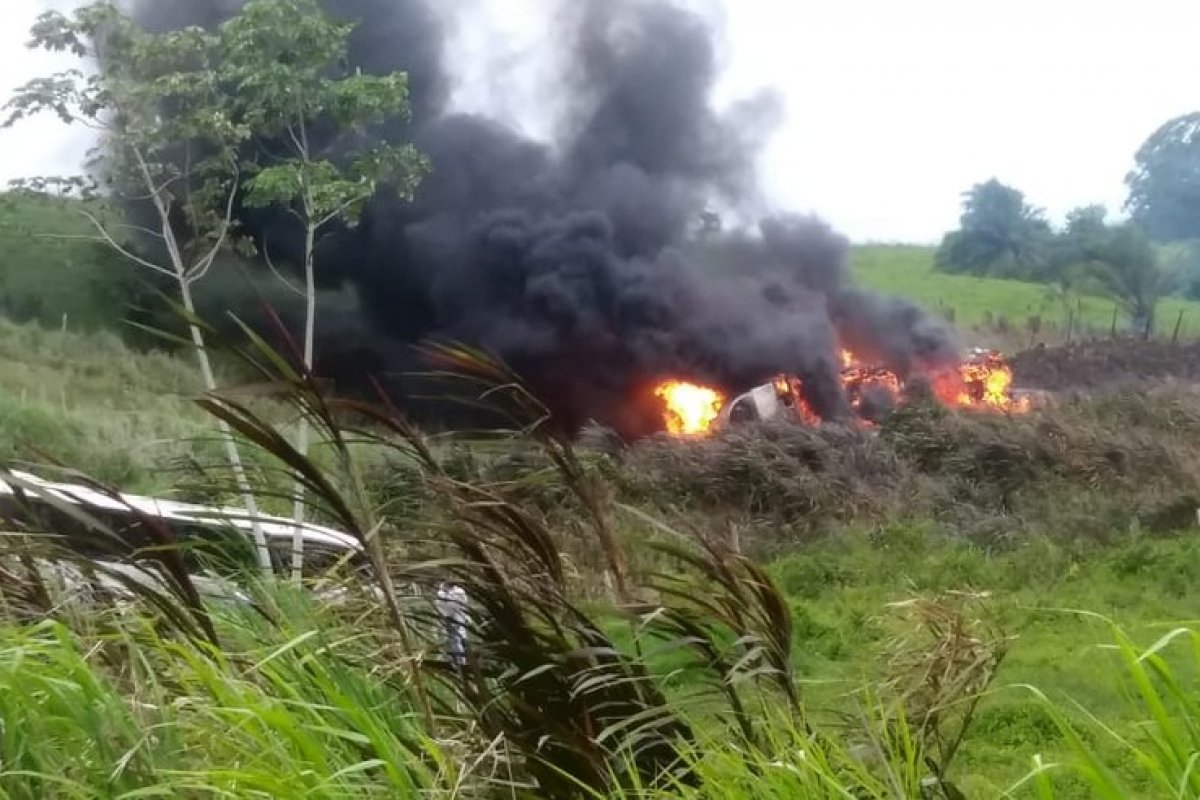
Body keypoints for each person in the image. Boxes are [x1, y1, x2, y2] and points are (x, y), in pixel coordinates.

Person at [435, 581, 469, 669]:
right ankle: (457, 661)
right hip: (449, 619)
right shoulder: (441, 593)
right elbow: (440, 605)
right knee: (453, 640)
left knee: (457, 640)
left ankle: (461, 663)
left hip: (457, 618)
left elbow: (455, 606)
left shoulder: (458, 592)